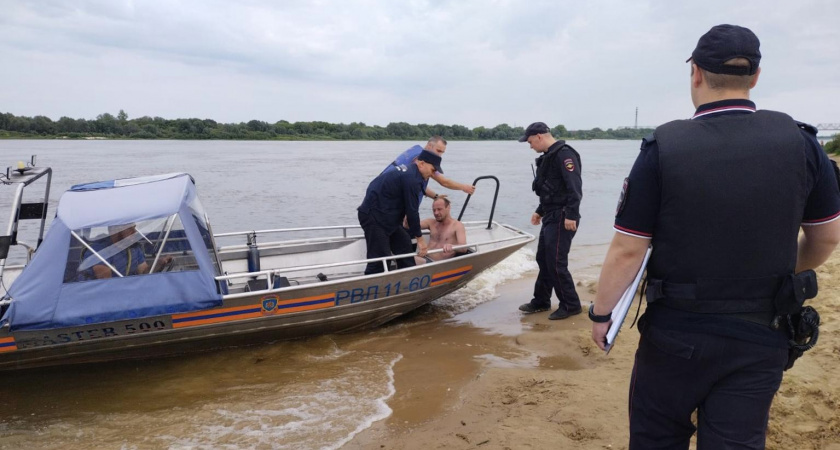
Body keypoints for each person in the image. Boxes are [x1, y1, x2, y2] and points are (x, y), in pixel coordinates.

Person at [590, 24, 840, 449]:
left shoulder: (663, 147)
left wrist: (602, 315)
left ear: (696, 74)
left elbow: (628, 250)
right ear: (755, 77)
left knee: (657, 436)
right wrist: (774, 271)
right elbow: (827, 239)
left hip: (675, 334)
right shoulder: (802, 145)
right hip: (763, 333)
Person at [518, 122, 584, 320]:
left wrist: (571, 214)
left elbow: (574, 188)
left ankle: (571, 305)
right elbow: (552, 189)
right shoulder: (549, 156)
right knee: (543, 259)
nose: (530, 146)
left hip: (564, 216)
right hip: (551, 215)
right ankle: (541, 301)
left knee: (556, 262)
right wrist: (539, 211)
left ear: (539, 136)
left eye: (530, 142)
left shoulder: (565, 155)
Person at [359, 150, 443, 274]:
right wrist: (420, 239)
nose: (433, 174)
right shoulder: (412, 179)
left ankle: (407, 277)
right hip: (374, 217)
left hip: (387, 217)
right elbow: (412, 211)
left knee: (404, 243)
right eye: (432, 170)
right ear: (422, 164)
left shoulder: (413, 174)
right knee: (382, 258)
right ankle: (367, 288)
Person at [384, 136, 476, 203]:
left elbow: (419, 185)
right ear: (428, 146)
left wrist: (435, 196)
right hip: (388, 197)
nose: (439, 156)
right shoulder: (421, 160)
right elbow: (444, 182)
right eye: (438, 151)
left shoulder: (416, 150)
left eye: (442, 153)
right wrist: (464, 187)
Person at [82, 224, 172, 279]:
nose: (134, 231)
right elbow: (106, 284)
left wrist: (159, 263)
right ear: (115, 230)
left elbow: (143, 272)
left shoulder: (134, 248)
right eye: (129, 228)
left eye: (134, 228)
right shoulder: (99, 250)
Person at [413, 196, 467, 265]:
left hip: (437, 264)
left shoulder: (457, 225)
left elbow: (463, 248)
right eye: (434, 210)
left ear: (448, 208)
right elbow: (413, 225)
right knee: (402, 254)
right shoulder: (431, 222)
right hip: (424, 257)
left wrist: (452, 247)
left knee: (407, 259)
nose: (436, 213)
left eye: (439, 209)